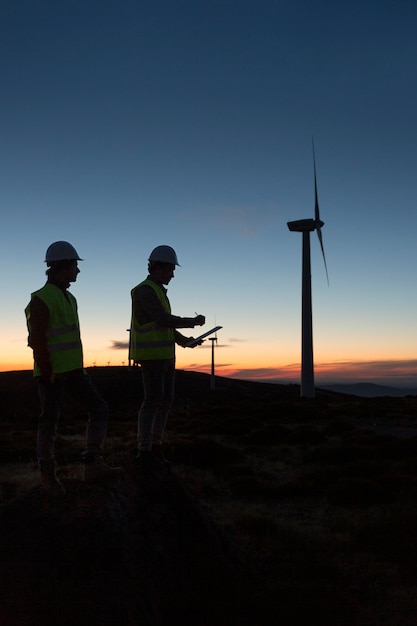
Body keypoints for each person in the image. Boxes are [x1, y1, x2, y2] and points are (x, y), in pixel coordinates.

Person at [25, 241, 122, 495]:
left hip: (74, 372)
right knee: (50, 422)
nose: (78, 271)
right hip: (52, 374)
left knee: (99, 409)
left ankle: (92, 465)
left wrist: (77, 369)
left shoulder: (70, 298)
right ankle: (48, 476)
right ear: (63, 266)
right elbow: (36, 340)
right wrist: (47, 373)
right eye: (75, 266)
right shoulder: (41, 299)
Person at [130, 245, 206, 467]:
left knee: (165, 401)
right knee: (153, 401)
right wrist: (192, 322)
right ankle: (145, 449)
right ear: (159, 267)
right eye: (171, 269)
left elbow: (165, 327)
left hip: (164, 356)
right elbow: (162, 319)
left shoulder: (158, 291)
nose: (172, 274)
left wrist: (185, 342)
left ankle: (155, 446)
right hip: (152, 357)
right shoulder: (144, 291)